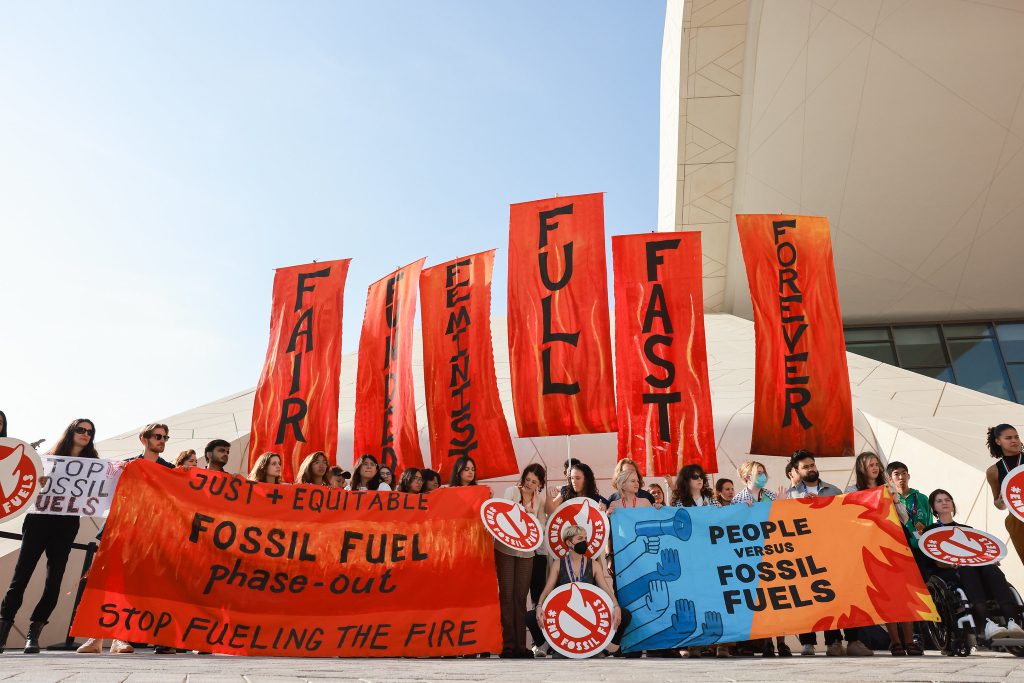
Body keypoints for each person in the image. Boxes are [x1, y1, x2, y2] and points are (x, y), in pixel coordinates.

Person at [1, 419, 98, 654]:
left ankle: (34, 632)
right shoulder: (46, 458)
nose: (85, 434)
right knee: (20, 577)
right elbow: (26, 485)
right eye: (81, 430)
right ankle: (3, 629)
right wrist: (39, 482)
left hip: (66, 524)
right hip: (39, 520)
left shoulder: (94, 465)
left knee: (54, 580)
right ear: (70, 432)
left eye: (90, 432)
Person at [79, 423, 175, 655]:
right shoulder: (126, 465)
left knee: (131, 586)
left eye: (165, 437)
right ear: (144, 439)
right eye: (157, 436)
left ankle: (120, 637)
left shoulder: (170, 470)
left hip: (147, 536)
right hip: (118, 531)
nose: (162, 440)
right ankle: (95, 637)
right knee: (105, 583)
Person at [925, 489, 1024, 641]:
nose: (944, 503)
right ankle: (987, 623)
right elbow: (935, 561)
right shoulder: (930, 531)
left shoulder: (968, 530)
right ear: (934, 508)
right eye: (939, 501)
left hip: (976, 567)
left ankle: (1013, 622)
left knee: (992, 569)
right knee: (967, 570)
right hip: (951, 572)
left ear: (952, 505)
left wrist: (991, 559)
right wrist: (950, 564)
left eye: (947, 500)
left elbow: (980, 552)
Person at [529, 524, 629, 657]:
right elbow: (548, 588)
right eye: (580, 538)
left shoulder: (593, 564)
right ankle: (547, 647)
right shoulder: (559, 563)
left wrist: (616, 606)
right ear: (569, 542)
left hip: (588, 613)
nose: (584, 542)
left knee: (625, 614)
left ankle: (609, 648)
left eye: (586, 538)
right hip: (566, 615)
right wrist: (540, 605)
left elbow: (606, 589)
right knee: (530, 616)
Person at [786, 450, 847, 657]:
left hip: (829, 550)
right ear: (796, 470)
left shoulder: (833, 490)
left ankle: (834, 641)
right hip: (802, 553)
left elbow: (844, 518)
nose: (811, 469)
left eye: (812, 465)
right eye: (805, 466)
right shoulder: (790, 494)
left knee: (830, 596)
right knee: (805, 598)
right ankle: (807, 642)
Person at [837, 452, 886, 657]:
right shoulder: (851, 491)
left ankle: (905, 640)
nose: (875, 468)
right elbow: (847, 518)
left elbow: (901, 516)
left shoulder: (887, 488)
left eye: (877, 464)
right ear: (861, 468)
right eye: (870, 465)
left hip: (887, 546)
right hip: (862, 548)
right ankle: (856, 640)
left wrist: (894, 498)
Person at [496, 464, 547, 658]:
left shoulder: (539, 501)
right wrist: (522, 513)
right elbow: (502, 514)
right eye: (527, 479)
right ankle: (507, 645)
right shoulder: (511, 492)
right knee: (506, 596)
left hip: (527, 551)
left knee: (520, 597)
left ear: (539, 484)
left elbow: (541, 525)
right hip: (506, 549)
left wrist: (532, 519)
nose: (529, 484)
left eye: (534, 482)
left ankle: (520, 645)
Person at [882, 460, 930, 656]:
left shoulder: (922, 498)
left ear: (909, 475)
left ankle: (913, 638)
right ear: (889, 479)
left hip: (918, 551)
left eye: (904, 473)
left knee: (914, 595)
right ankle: (896, 641)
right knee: (892, 595)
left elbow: (927, 524)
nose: (901, 477)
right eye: (896, 474)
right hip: (895, 552)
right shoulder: (885, 499)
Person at [985, 424, 1024, 564]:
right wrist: (999, 503)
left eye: (1016, 437)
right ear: (998, 441)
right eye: (1008, 438)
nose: (1014, 440)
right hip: (1018, 522)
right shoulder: (993, 471)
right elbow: (999, 503)